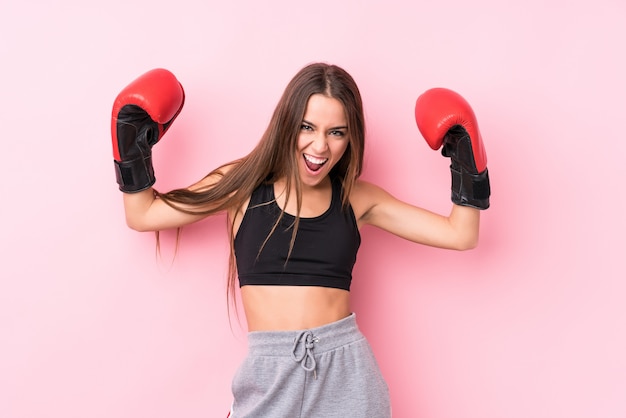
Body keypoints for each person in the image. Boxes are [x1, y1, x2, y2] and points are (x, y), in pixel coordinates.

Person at [110, 63, 490, 417]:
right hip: (269, 374)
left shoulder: (357, 198)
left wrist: (464, 158)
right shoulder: (241, 185)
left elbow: (460, 234)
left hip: (348, 372)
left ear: (350, 137)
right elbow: (143, 215)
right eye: (307, 127)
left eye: (336, 132)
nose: (320, 146)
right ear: (286, 124)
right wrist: (132, 139)